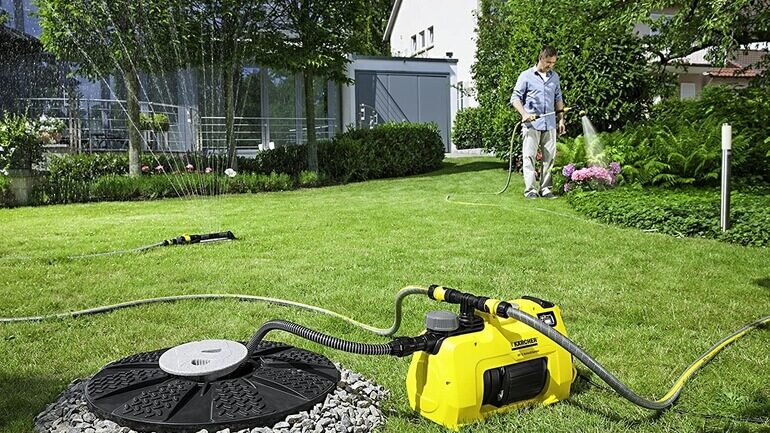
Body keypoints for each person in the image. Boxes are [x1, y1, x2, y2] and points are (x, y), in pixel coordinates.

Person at [511, 45, 566, 199]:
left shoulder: (554, 77)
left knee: (549, 157)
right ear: (541, 58)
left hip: (549, 123)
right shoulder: (526, 76)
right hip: (531, 124)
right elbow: (515, 98)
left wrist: (561, 120)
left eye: (554, 63)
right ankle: (531, 190)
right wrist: (524, 114)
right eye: (548, 62)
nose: (551, 65)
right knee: (529, 157)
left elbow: (558, 99)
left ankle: (546, 189)